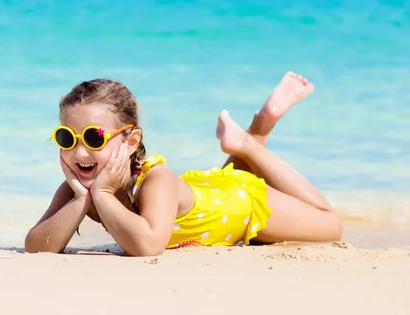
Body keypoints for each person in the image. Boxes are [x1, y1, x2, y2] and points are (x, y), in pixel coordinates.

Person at [24, 72, 343, 256]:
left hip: (245, 205)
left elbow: (148, 246)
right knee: (228, 177)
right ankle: (260, 126)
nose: (79, 153)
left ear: (131, 141)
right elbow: (37, 246)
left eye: (94, 139)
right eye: (67, 139)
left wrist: (103, 196)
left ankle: (250, 140)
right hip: (210, 194)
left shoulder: (156, 182)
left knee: (331, 225)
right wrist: (81, 199)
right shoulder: (77, 189)